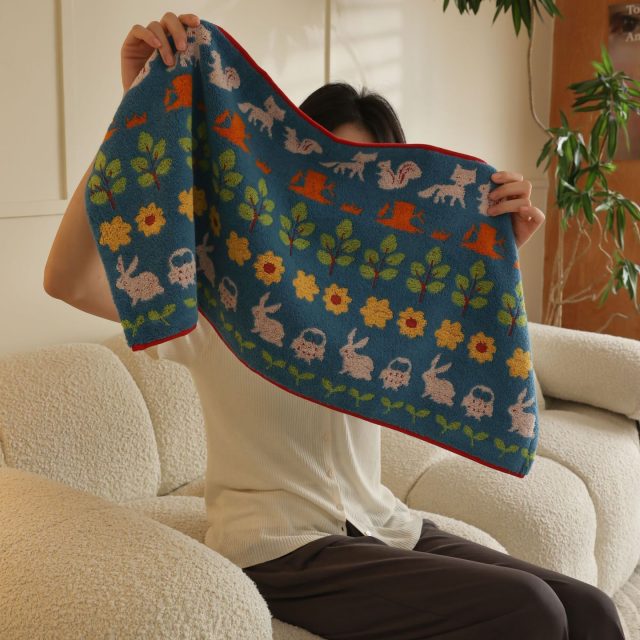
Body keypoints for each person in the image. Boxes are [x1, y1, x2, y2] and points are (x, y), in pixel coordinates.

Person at [44, 12, 626, 640]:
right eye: (328, 187)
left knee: (591, 610)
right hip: (280, 548)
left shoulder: (387, 305)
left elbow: (462, 349)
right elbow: (68, 280)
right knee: (530, 611)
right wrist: (135, 114)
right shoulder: (220, 299)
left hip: (383, 523)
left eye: (367, 193)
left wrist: (496, 254)